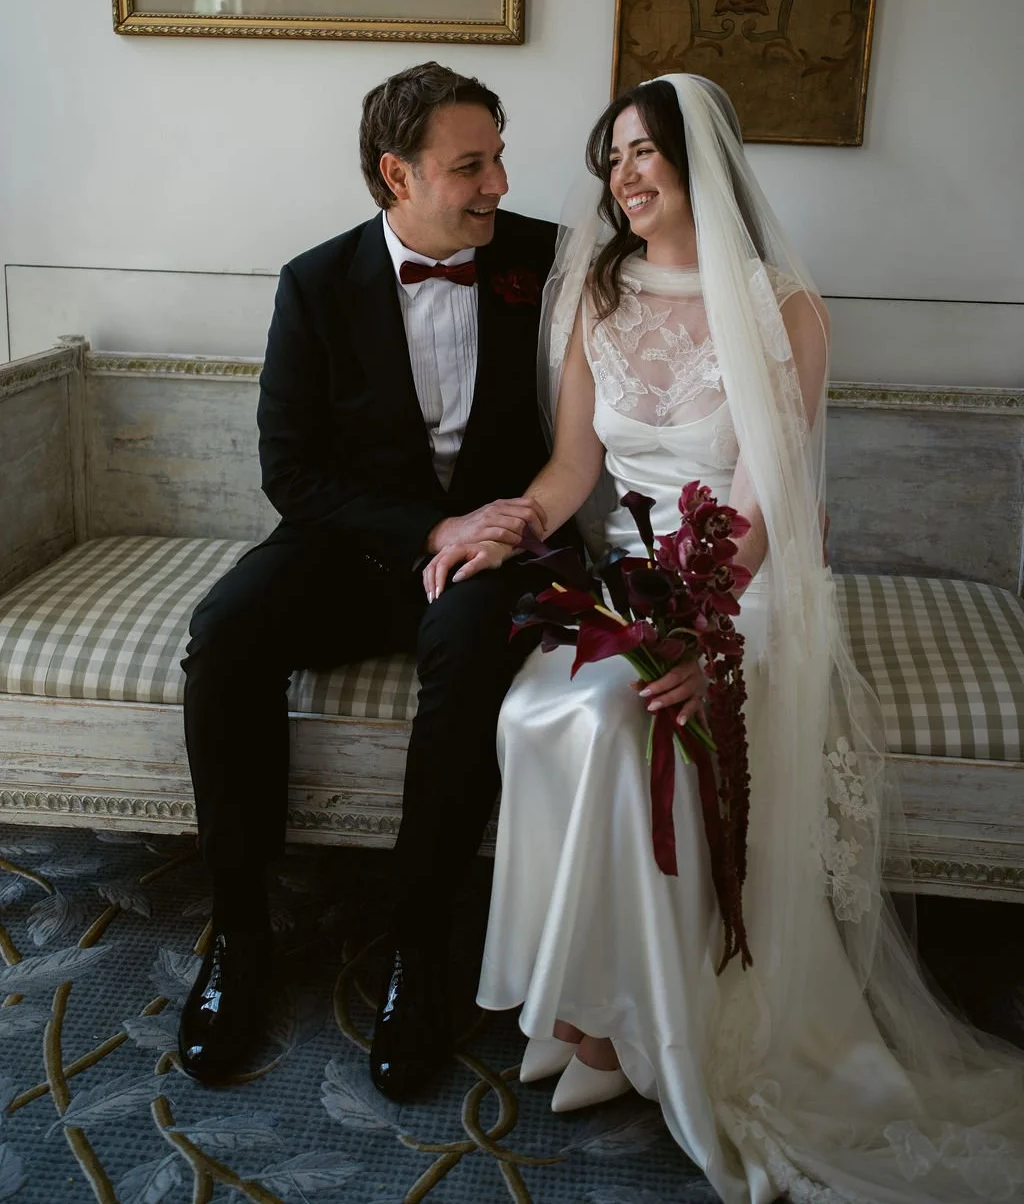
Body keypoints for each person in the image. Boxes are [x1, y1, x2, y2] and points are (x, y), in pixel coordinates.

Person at [424, 74, 1024, 1203]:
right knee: (534, 710)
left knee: (617, 718)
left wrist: (705, 639)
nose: (625, 176)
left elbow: (758, 513)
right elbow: (571, 468)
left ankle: (634, 1028)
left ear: (702, 159)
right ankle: (585, 1009)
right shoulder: (592, 293)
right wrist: (510, 525)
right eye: (612, 160)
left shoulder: (780, 307)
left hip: (740, 588)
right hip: (626, 582)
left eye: (645, 152)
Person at [177, 62, 576, 1102]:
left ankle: (417, 953)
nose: (496, 184)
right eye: (469, 165)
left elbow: (591, 427)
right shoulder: (314, 281)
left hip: (497, 551)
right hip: (357, 547)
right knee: (224, 633)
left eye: (497, 157)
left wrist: (501, 527)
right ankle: (240, 935)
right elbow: (290, 471)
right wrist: (426, 527)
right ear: (396, 174)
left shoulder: (550, 261)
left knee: (467, 655)